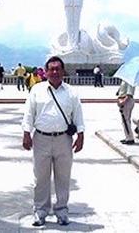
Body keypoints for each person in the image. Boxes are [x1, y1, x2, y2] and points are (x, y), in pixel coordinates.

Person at [22, 56, 85, 227]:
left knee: (63, 177)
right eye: (52, 69)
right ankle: (40, 211)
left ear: (63, 71)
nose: (55, 72)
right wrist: (26, 133)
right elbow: (29, 113)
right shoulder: (37, 89)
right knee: (40, 177)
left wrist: (81, 135)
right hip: (41, 138)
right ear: (46, 71)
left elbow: (78, 115)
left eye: (58, 69)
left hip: (64, 140)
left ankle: (62, 211)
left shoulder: (71, 92)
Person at [117, 80, 135, 144]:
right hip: (123, 99)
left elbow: (129, 94)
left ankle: (130, 138)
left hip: (127, 101)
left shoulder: (130, 81)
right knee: (125, 120)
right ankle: (128, 136)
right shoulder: (124, 80)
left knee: (125, 120)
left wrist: (123, 102)